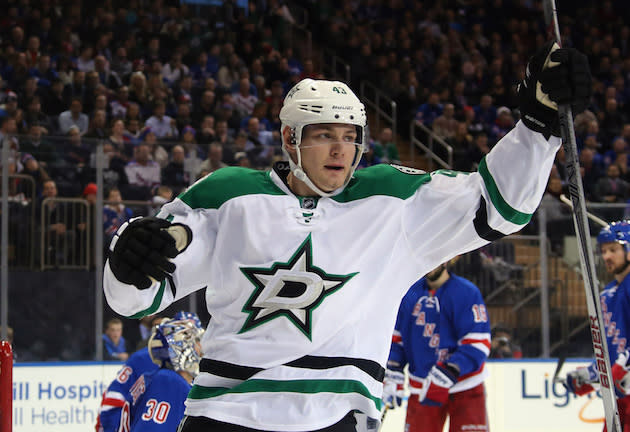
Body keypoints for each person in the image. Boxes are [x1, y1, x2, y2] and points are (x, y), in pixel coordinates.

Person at [104, 43, 591, 431]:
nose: (341, 149)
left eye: (350, 135)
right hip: (226, 415)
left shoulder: (395, 201)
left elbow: (499, 206)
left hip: (338, 417)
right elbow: (135, 299)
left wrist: (538, 125)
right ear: (290, 139)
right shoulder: (226, 195)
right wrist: (127, 264)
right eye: (322, 135)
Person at [383, 260, 491, 432]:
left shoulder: (466, 292)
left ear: (447, 259)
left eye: (435, 257)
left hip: (465, 387)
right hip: (422, 387)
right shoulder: (408, 293)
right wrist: (393, 370)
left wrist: (450, 369)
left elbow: (478, 343)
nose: (430, 263)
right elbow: (397, 340)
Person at [564, 221, 630, 430]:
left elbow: (622, 363)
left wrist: (623, 367)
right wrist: (590, 375)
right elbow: (612, 355)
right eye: (603, 251)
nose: (607, 256)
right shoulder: (606, 295)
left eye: (613, 250)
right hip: (619, 406)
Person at [95, 312, 202, 432]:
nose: (201, 348)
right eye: (195, 341)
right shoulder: (168, 383)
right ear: (180, 347)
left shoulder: (162, 378)